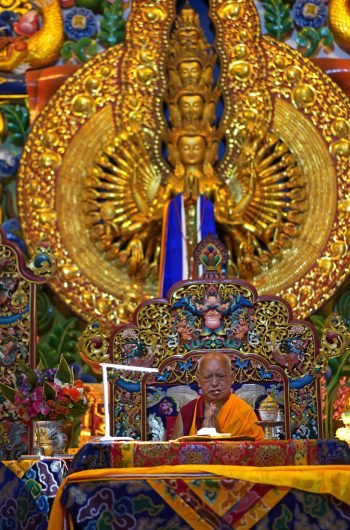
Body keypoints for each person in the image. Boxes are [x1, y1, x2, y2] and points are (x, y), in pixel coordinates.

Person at [172, 352, 264, 440]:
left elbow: (256, 453)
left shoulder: (245, 413)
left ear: (232, 378)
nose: (214, 383)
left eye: (220, 376)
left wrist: (217, 435)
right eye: (207, 377)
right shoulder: (188, 412)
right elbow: (174, 452)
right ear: (199, 380)